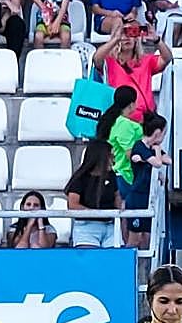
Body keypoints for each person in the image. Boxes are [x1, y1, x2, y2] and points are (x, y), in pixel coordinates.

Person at [93, 21, 172, 119]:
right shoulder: (109, 61)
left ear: (136, 39)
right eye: (123, 33)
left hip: (145, 117)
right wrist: (115, 39)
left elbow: (167, 58)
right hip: (121, 118)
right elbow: (96, 59)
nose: (127, 37)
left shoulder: (146, 60)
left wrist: (157, 40)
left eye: (131, 33)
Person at [65, 140, 122, 248]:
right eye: (110, 156)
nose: (113, 160)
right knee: (89, 260)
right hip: (87, 227)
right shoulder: (80, 179)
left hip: (110, 226)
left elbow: (117, 198)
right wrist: (96, 213)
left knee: (113, 260)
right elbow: (73, 205)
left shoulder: (111, 176)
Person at [126, 113, 170, 248]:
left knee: (147, 238)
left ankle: (144, 268)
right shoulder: (139, 146)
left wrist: (156, 154)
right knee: (135, 238)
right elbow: (157, 163)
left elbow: (168, 160)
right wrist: (157, 150)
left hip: (149, 197)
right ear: (157, 133)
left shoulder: (151, 150)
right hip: (138, 197)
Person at [97, 85, 143, 212]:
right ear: (131, 104)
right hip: (126, 174)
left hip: (121, 174)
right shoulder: (124, 124)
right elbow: (129, 153)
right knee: (129, 215)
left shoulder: (114, 121)